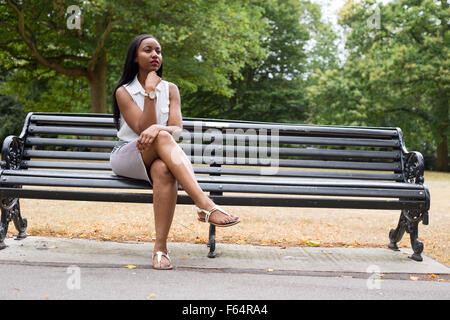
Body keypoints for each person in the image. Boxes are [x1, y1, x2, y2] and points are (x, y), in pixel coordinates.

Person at [110, 34, 240, 270]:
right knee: (160, 135)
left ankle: (160, 250)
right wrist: (149, 93)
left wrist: (160, 127)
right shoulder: (124, 91)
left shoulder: (170, 89)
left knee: (163, 169)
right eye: (148, 50)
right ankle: (203, 204)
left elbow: (176, 129)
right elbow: (142, 130)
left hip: (158, 156)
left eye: (158, 51)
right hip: (128, 155)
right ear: (134, 58)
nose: (155, 55)